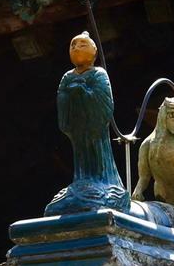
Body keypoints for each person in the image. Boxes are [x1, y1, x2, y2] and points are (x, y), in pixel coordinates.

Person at [45, 32, 129, 215]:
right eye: (73, 45)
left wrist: (83, 91)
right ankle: (82, 181)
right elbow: (62, 97)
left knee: (98, 151)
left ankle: (105, 183)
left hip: (95, 125)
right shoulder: (67, 76)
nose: (76, 48)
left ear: (94, 51)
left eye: (82, 45)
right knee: (80, 154)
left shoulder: (99, 74)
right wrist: (70, 95)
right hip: (77, 124)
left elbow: (103, 98)